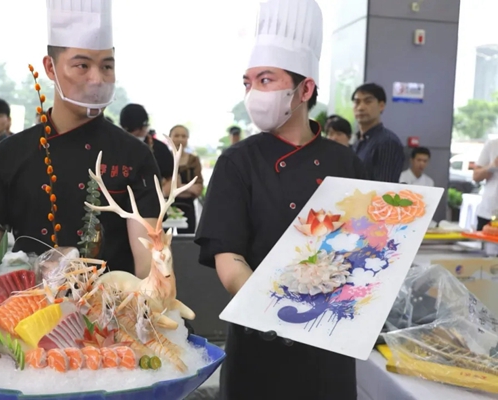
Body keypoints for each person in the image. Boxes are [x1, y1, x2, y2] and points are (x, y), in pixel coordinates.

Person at [0, 0, 163, 335]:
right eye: (82, 66)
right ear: (50, 67)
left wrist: (153, 309)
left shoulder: (133, 154)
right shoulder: (13, 152)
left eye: (107, 67)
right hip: (23, 324)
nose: (97, 79)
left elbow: (149, 256)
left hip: (111, 325)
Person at [195, 1, 366, 398]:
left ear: (304, 88)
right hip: (260, 344)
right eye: (248, 81)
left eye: (266, 79)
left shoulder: (346, 163)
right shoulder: (238, 161)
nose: (254, 92)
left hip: (329, 348)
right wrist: (274, 307)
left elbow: (366, 249)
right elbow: (228, 256)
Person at [353, 83, 404, 182]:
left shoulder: (388, 142)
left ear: (381, 106)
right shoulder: (358, 141)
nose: (360, 108)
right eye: (357, 102)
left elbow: (384, 188)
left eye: (368, 101)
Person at [120, 104, 174, 195]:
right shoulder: (114, 145)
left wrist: (159, 196)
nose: (131, 136)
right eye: (127, 131)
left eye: (136, 131)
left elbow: (172, 179)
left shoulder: (160, 148)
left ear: (144, 126)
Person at [168, 124, 204, 233]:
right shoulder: (164, 158)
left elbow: (198, 188)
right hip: (166, 206)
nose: (180, 139)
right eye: (176, 135)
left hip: (188, 206)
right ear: (170, 138)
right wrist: (189, 188)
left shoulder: (193, 160)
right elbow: (162, 187)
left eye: (184, 136)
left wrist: (179, 187)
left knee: (187, 243)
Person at [473, 138, 498, 230]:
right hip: (489, 211)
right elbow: (476, 176)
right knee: (483, 243)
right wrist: (493, 165)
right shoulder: (493, 145)